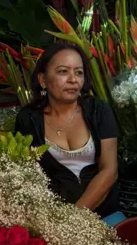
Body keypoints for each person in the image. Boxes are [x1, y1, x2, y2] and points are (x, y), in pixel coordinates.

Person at [15, 42, 122, 220]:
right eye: (63, 71)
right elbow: (27, 175)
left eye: (78, 72)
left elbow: (109, 170)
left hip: (104, 213)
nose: (73, 79)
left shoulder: (98, 111)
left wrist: (74, 217)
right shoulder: (28, 119)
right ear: (43, 80)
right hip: (53, 216)